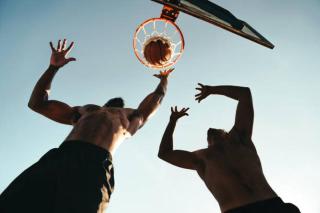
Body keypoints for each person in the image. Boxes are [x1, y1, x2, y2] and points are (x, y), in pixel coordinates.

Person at [0, 39, 173, 213]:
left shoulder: (130, 117)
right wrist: (53, 67)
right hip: (62, 156)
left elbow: (157, 98)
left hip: (95, 165)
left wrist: (164, 80)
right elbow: (37, 103)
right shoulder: (87, 111)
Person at [158, 84, 300, 213]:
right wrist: (172, 122)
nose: (210, 131)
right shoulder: (201, 158)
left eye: (217, 130)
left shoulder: (240, 138)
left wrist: (212, 90)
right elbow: (165, 153)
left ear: (226, 134)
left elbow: (244, 94)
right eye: (208, 137)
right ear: (208, 143)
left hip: (273, 206)